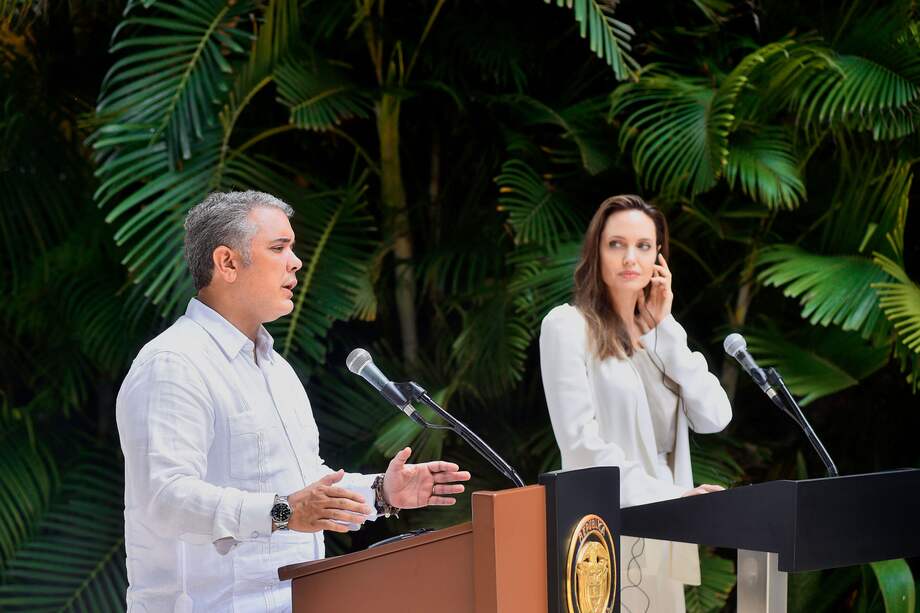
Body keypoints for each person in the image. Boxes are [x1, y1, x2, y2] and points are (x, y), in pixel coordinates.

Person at [116, 191, 471, 612]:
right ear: (227, 262)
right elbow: (166, 498)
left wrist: (381, 492)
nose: (296, 261)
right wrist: (283, 512)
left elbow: (302, 484)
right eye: (278, 248)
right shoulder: (174, 363)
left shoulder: (275, 368)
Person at [539, 195, 732, 613]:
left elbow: (716, 416)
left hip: (665, 528)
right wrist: (672, 497)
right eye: (616, 244)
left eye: (644, 246)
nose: (631, 257)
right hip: (605, 530)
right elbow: (581, 446)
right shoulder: (567, 327)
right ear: (596, 252)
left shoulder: (661, 333)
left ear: (659, 258)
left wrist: (666, 327)